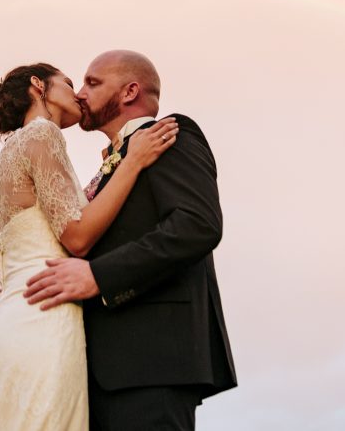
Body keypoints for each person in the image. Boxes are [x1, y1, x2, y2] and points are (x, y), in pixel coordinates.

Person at [23, 50, 237, 430]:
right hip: (96, 370)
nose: (81, 93)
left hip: (151, 366)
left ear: (129, 92)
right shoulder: (112, 165)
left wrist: (99, 276)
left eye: (93, 82)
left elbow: (197, 225)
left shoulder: (170, 133)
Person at [0, 61, 179, 431]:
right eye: (68, 83)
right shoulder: (41, 135)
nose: (79, 93)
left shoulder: (10, 153)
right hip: (46, 317)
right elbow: (78, 238)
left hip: (15, 315)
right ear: (38, 85)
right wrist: (133, 161)